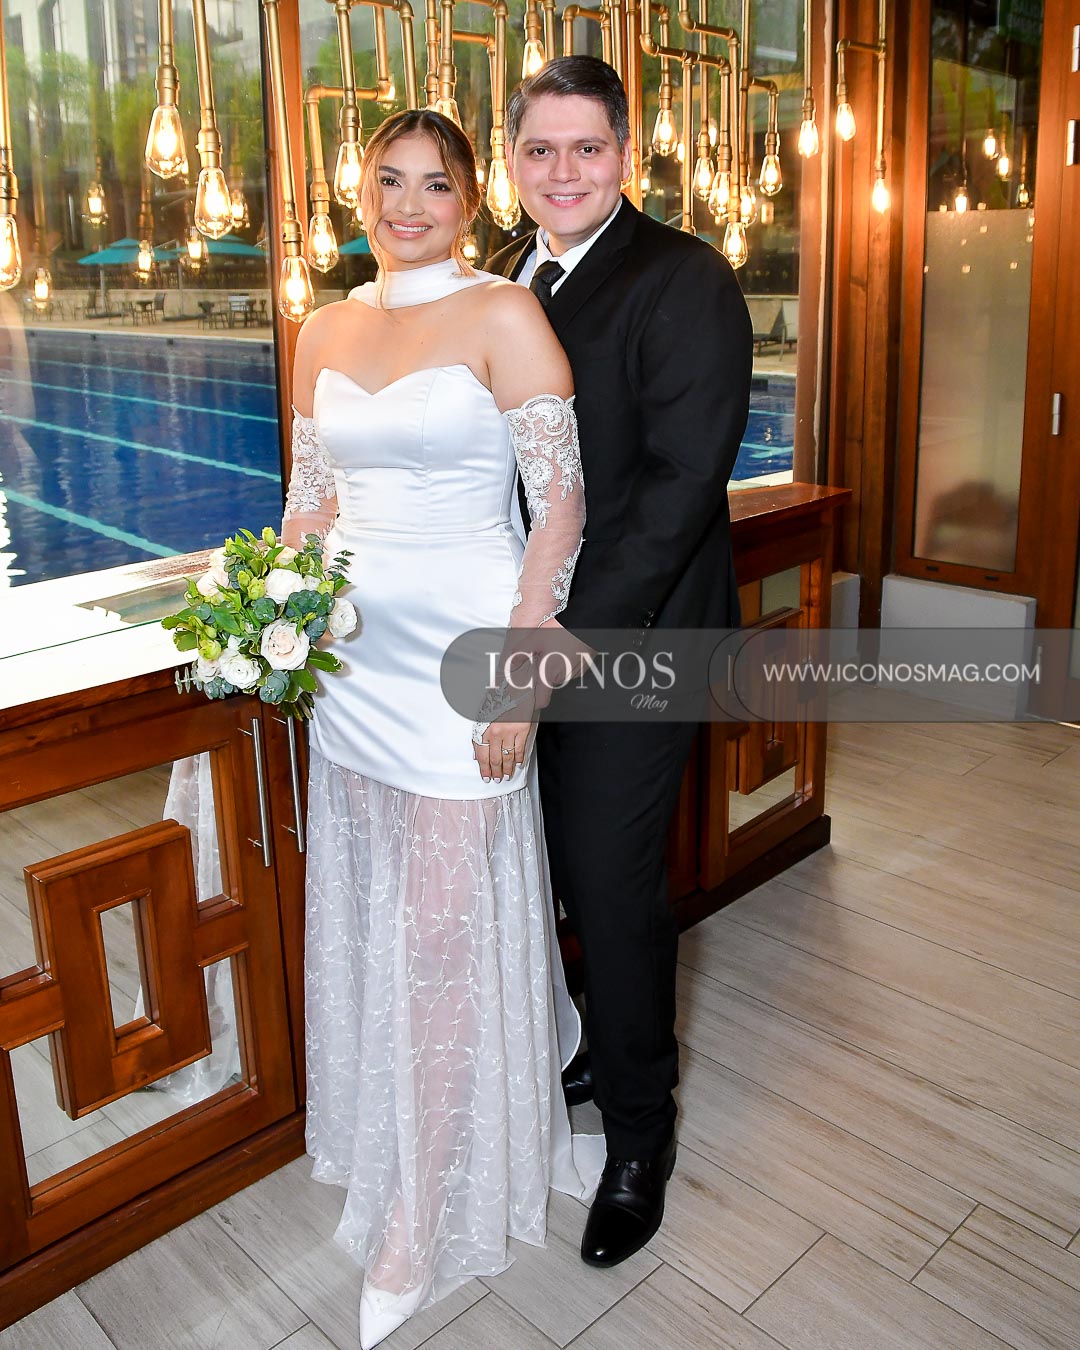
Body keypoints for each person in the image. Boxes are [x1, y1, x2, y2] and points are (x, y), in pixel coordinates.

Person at [281, 109, 601, 1348]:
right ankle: (414, 1146)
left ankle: (421, 1221)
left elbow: (559, 506)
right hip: (353, 665)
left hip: (466, 655)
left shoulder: (505, 314)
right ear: (360, 190)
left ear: (473, 201)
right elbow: (311, 503)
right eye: (388, 179)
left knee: (446, 930)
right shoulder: (324, 326)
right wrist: (274, 614)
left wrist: (522, 675)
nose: (407, 205)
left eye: (435, 184)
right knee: (384, 921)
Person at [487, 56, 753, 1268]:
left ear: (625, 155)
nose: (563, 171)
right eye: (539, 149)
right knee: (546, 866)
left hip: (639, 641)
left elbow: (681, 486)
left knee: (610, 883)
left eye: (585, 148)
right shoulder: (507, 273)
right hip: (527, 630)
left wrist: (557, 639)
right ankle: (596, 1044)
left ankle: (641, 1135)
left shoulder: (684, 276)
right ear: (513, 161)